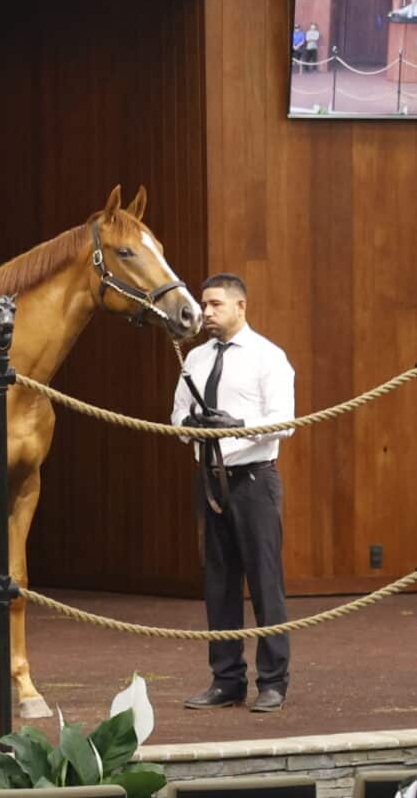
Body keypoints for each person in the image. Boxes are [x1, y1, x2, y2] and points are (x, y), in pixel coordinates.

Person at [171, 273, 294, 714]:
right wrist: (194, 429)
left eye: (215, 304)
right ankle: (226, 680)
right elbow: (177, 415)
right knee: (218, 584)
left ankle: (273, 682)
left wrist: (235, 428)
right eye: (204, 304)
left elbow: (285, 422)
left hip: (253, 480)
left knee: (264, 581)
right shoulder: (195, 359)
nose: (206, 313)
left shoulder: (269, 357)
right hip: (209, 478)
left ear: (241, 306)